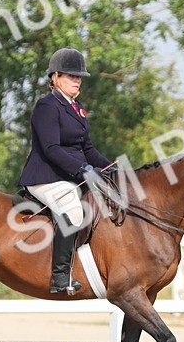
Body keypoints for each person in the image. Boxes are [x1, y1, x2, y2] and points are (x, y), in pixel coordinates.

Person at [17, 47, 115, 294]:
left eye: (79, 76)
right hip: (45, 177)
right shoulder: (47, 106)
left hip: (69, 175)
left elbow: (88, 149)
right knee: (73, 210)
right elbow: (50, 148)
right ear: (56, 77)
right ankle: (60, 277)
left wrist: (111, 168)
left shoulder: (76, 107)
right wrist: (82, 169)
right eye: (71, 76)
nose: (77, 80)